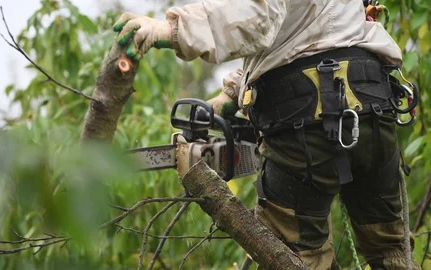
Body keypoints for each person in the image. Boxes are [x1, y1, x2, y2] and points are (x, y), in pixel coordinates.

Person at [113, 1, 421, 269]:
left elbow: (258, 15)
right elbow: (309, 29)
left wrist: (173, 30)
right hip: (373, 111)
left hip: (305, 124)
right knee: (392, 249)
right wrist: (233, 94)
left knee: (298, 258)